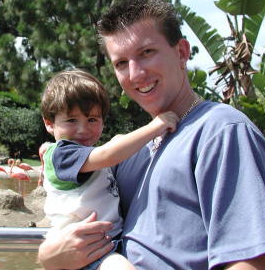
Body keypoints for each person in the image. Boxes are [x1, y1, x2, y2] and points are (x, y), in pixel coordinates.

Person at [38, 0, 265, 270]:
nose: (135, 74)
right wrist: (49, 256)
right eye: (121, 63)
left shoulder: (221, 131)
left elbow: (251, 263)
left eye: (146, 52)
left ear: (181, 52)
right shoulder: (134, 152)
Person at [40, 69, 178, 270]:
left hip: (104, 243)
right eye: (71, 120)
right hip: (87, 250)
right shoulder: (62, 154)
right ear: (49, 124)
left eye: (92, 119)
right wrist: (156, 126)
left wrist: (119, 141)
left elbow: (111, 149)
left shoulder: (86, 155)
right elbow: (108, 154)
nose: (83, 129)